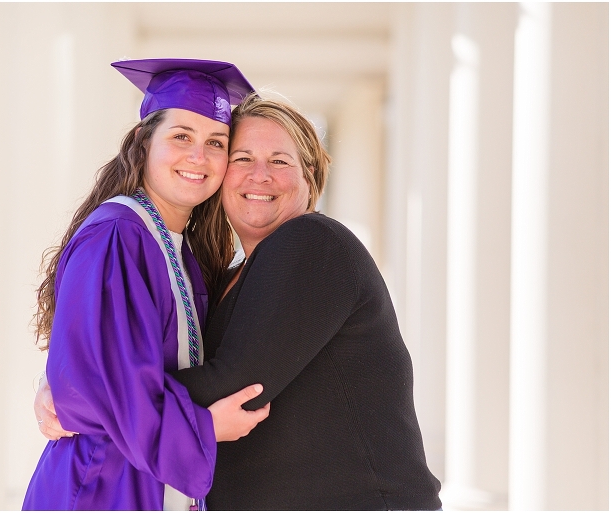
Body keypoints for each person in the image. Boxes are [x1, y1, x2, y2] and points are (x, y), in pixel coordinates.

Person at [37, 92, 442, 510]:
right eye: (242, 158)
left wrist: (89, 395)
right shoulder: (223, 277)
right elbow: (157, 358)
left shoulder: (314, 243)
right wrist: (71, 379)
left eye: (280, 161)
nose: (259, 175)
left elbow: (235, 381)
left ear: (311, 177)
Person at [22, 59, 270, 511]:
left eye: (216, 143)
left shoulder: (181, 253)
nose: (199, 156)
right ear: (143, 140)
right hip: (102, 487)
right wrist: (205, 427)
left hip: (139, 481)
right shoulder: (119, 235)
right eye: (181, 136)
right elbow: (107, 384)